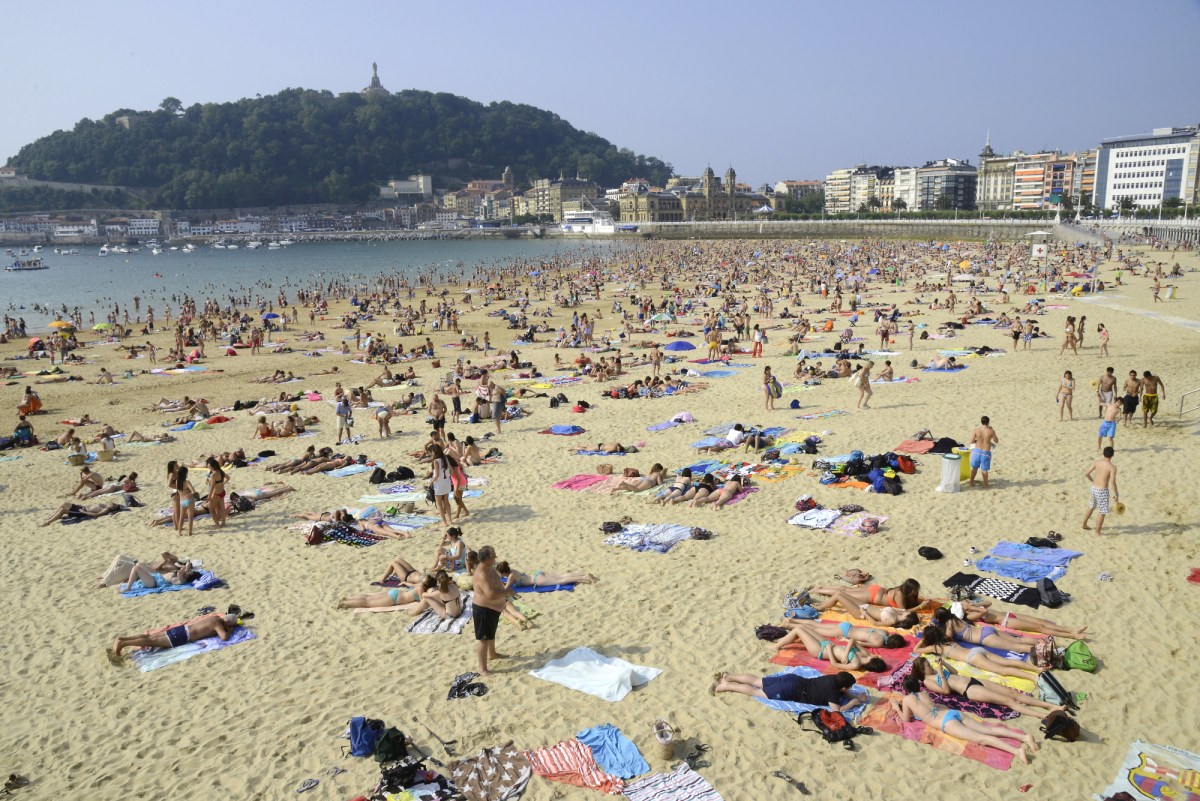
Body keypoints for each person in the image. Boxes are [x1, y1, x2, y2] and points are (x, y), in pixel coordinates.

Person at [889, 679, 1035, 764]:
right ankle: (1024, 737)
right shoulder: (924, 692)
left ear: (906, 689)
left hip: (946, 723)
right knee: (988, 730)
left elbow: (906, 719)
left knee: (982, 738)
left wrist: (896, 707)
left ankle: (1017, 751)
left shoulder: (907, 699)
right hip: (951, 713)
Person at [909, 655, 1064, 720]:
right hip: (969, 690)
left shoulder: (936, 671)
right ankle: (1043, 715)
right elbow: (945, 691)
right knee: (1009, 701)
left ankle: (1050, 706)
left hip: (973, 680)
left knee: (1012, 692)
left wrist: (944, 664)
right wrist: (941, 674)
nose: (930, 666)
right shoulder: (928, 681)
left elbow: (954, 672)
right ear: (922, 670)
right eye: (927, 666)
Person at [914, 625, 1045, 680]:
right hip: (976, 650)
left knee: (1002, 670)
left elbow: (916, 650)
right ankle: (1037, 669)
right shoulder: (947, 639)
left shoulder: (936, 648)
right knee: (1008, 662)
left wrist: (923, 639)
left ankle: (1033, 677)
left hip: (972, 657)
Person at [109, 612, 241, 663]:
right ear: (228, 623)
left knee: (149, 637)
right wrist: (230, 630)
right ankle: (122, 644)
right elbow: (224, 637)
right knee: (151, 641)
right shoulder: (218, 624)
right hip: (182, 636)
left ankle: (123, 639)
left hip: (181, 629)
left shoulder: (215, 617)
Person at [711, 670, 864, 714]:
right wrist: (853, 702)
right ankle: (727, 686)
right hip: (788, 690)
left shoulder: (833, 678)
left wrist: (855, 696)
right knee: (756, 692)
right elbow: (837, 710)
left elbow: (843, 691)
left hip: (793, 679)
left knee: (757, 681)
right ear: (843, 688)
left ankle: (729, 676)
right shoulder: (832, 693)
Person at [765, 623, 889, 672]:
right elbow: (853, 641)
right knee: (803, 627)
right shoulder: (865, 654)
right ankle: (781, 641)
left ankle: (776, 646)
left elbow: (835, 664)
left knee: (798, 630)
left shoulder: (856, 664)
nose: (876, 655)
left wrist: (829, 651)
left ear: (874, 661)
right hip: (828, 644)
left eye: (877, 658)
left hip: (821, 651)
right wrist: (846, 652)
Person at [471, 546, 509, 676]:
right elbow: (491, 594)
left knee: (491, 633)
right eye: (493, 556)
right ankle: (482, 669)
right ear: (487, 558)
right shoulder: (481, 574)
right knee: (483, 639)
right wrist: (507, 592)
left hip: (492, 609)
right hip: (483, 610)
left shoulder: (489, 567)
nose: (495, 557)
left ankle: (492, 654)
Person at [1082, 446, 1119, 536]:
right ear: (1112, 455)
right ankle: (1097, 532)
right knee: (1102, 511)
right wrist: (1116, 493)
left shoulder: (1097, 463)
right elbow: (1112, 481)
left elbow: (1086, 473)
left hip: (1094, 488)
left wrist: (1092, 480)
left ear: (1103, 453)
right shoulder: (1112, 467)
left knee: (1091, 506)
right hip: (1102, 491)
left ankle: (1084, 524)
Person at [496, 562, 596, 587]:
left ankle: (585, 577)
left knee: (561, 581)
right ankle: (583, 574)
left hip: (537, 580)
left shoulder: (510, 576)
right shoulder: (513, 570)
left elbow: (506, 588)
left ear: (503, 572)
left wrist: (499, 582)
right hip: (537, 574)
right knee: (561, 576)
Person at [40, 499, 129, 526]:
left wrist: (84, 512)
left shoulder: (106, 509)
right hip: (82, 507)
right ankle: (52, 516)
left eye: (113, 505)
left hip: (83, 512)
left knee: (63, 510)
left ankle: (48, 522)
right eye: (113, 503)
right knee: (64, 503)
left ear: (112, 508)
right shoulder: (105, 505)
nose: (112, 504)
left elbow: (96, 515)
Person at [968, 415, 998, 489]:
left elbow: (971, 441)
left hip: (977, 451)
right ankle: (986, 485)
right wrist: (992, 433)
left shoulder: (976, 430)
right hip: (985, 452)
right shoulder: (991, 431)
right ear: (988, 422)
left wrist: (978, 440)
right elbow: (996, 440)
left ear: (981, 422)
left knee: (974, 468)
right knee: (984, 470)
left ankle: (971, 483)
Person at [337, 584, 421, 609]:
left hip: (396, 592)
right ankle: (344, 603)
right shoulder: (421, 589)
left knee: (369, 597)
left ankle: (347, 599)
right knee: (367, 603)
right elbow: (422, 600)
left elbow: (412, 585)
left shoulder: (420, 585)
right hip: (394, 599)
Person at [428, 445, 454, 527]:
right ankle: (450, 520)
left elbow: (437, 475)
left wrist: (431, 482)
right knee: (446, 502)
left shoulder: (436, 461)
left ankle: (444, 522)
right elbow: (451, 471)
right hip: (446, 482)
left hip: (439, 484)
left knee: (439, 504)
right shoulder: (445, 458)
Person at [206, 457, 227, 529]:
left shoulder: (213, 474)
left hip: (216, 494)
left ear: (213, 466)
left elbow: (212, 487)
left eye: (210, 466)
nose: (209, 468)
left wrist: (209, 497)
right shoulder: (221, 471)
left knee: (211, 509)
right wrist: (223, 483)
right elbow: (228, 477)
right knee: (222, 508)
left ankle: (217, 525)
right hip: (222, 492)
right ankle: (223, 523)